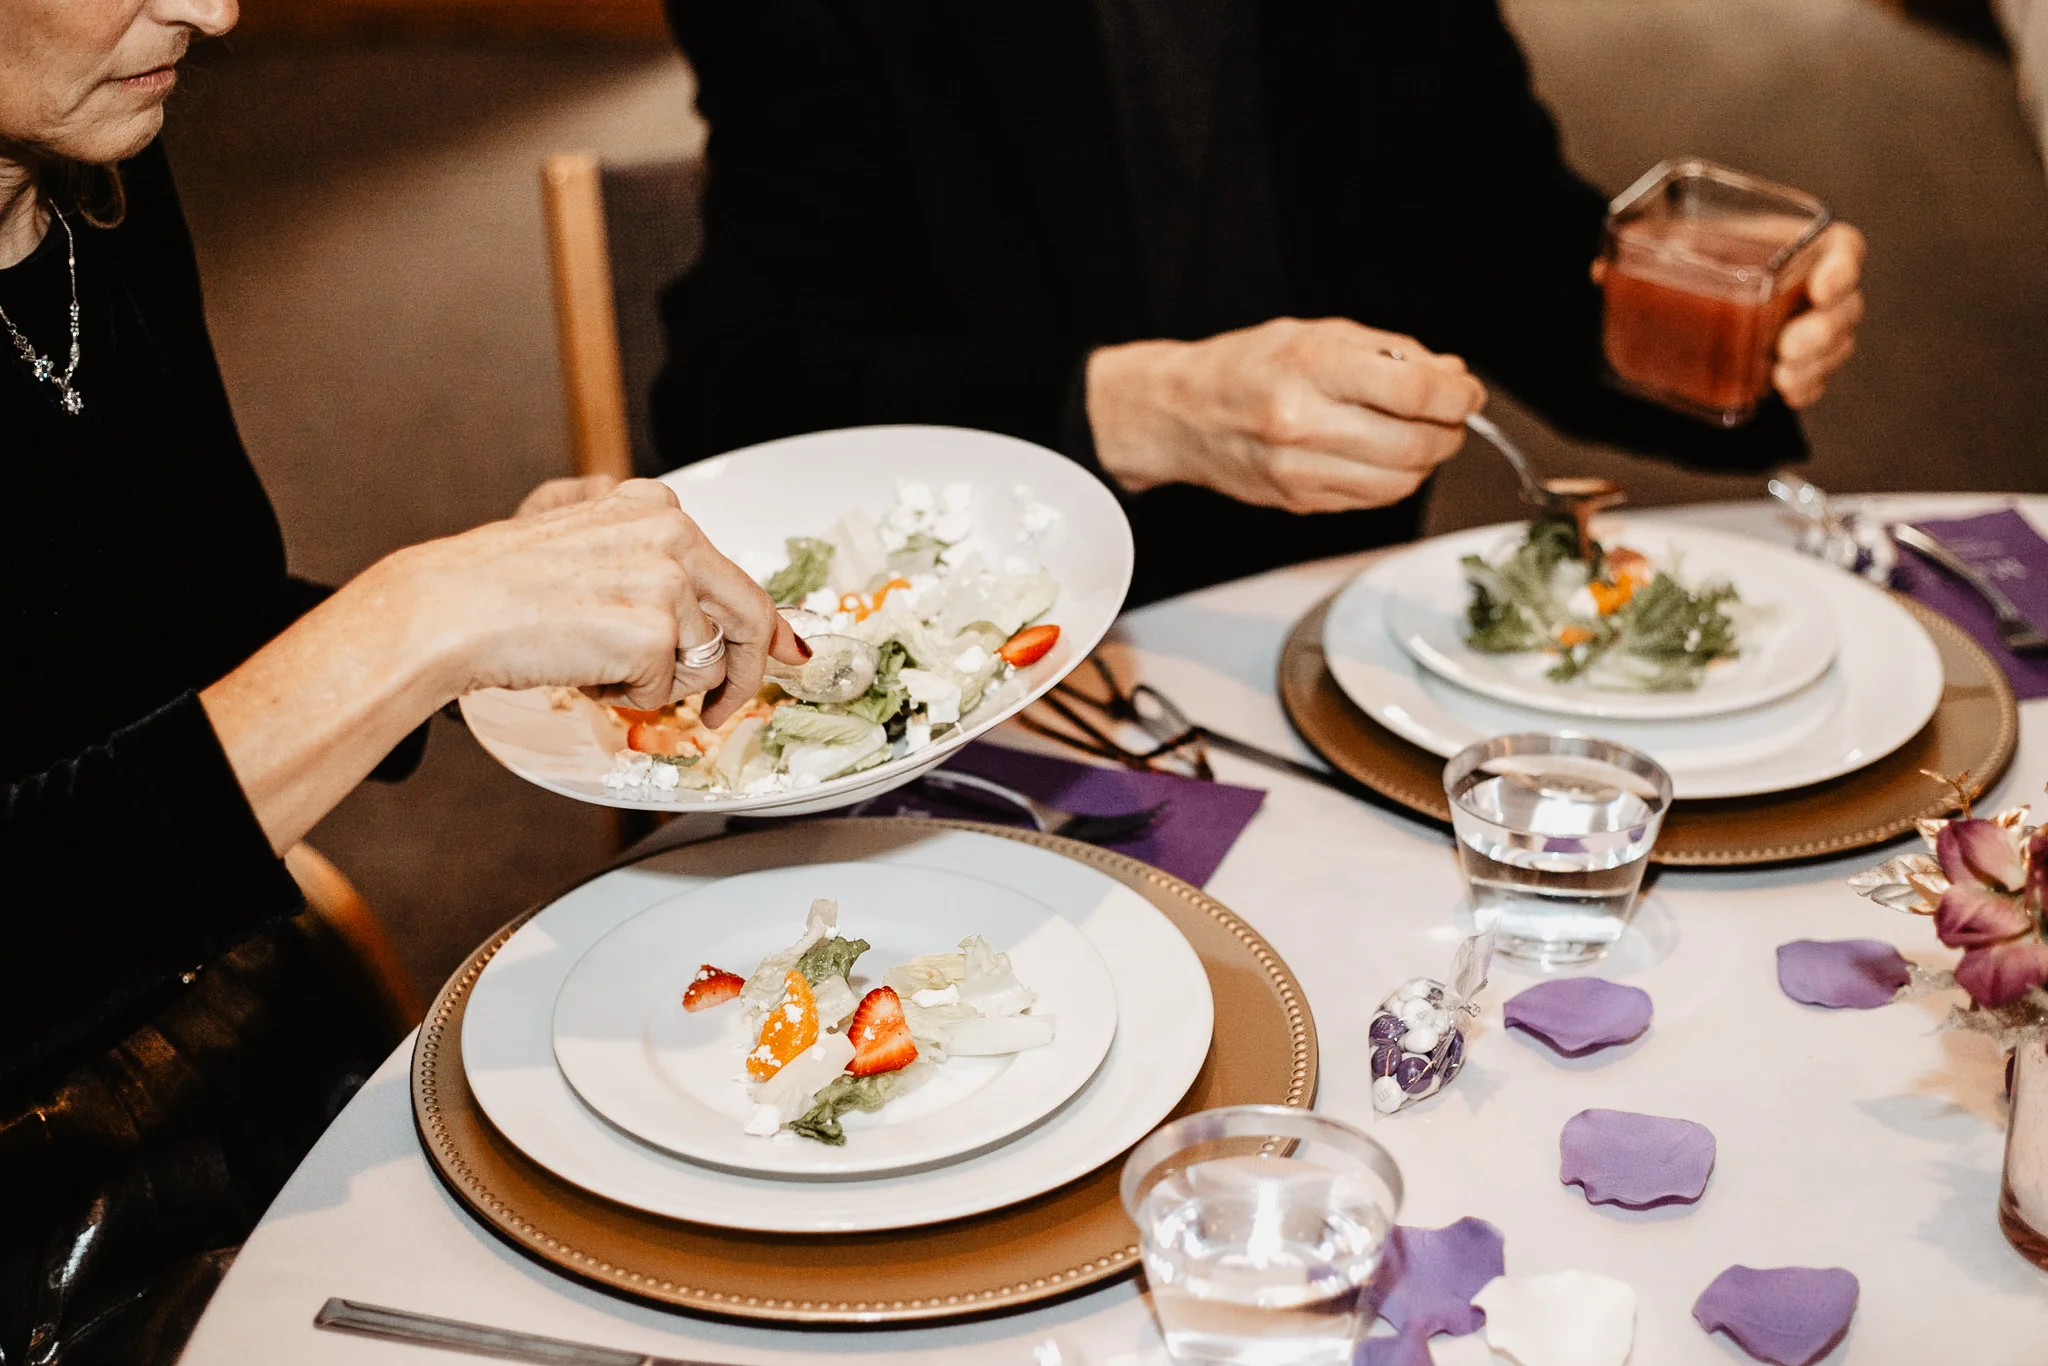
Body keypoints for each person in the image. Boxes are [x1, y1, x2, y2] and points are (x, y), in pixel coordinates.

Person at [0, 1, 805, 1356]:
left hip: (222, 1046)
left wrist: (501, 606)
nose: (217, 7)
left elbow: (167, 641)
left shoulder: (98, 186)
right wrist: (414, 621)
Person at [652, 0, 1868, 605]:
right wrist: (1140, 409)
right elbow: (736, 393)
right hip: (986, 635)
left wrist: (1683, 324)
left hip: (1332, 615)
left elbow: (1492, 229)